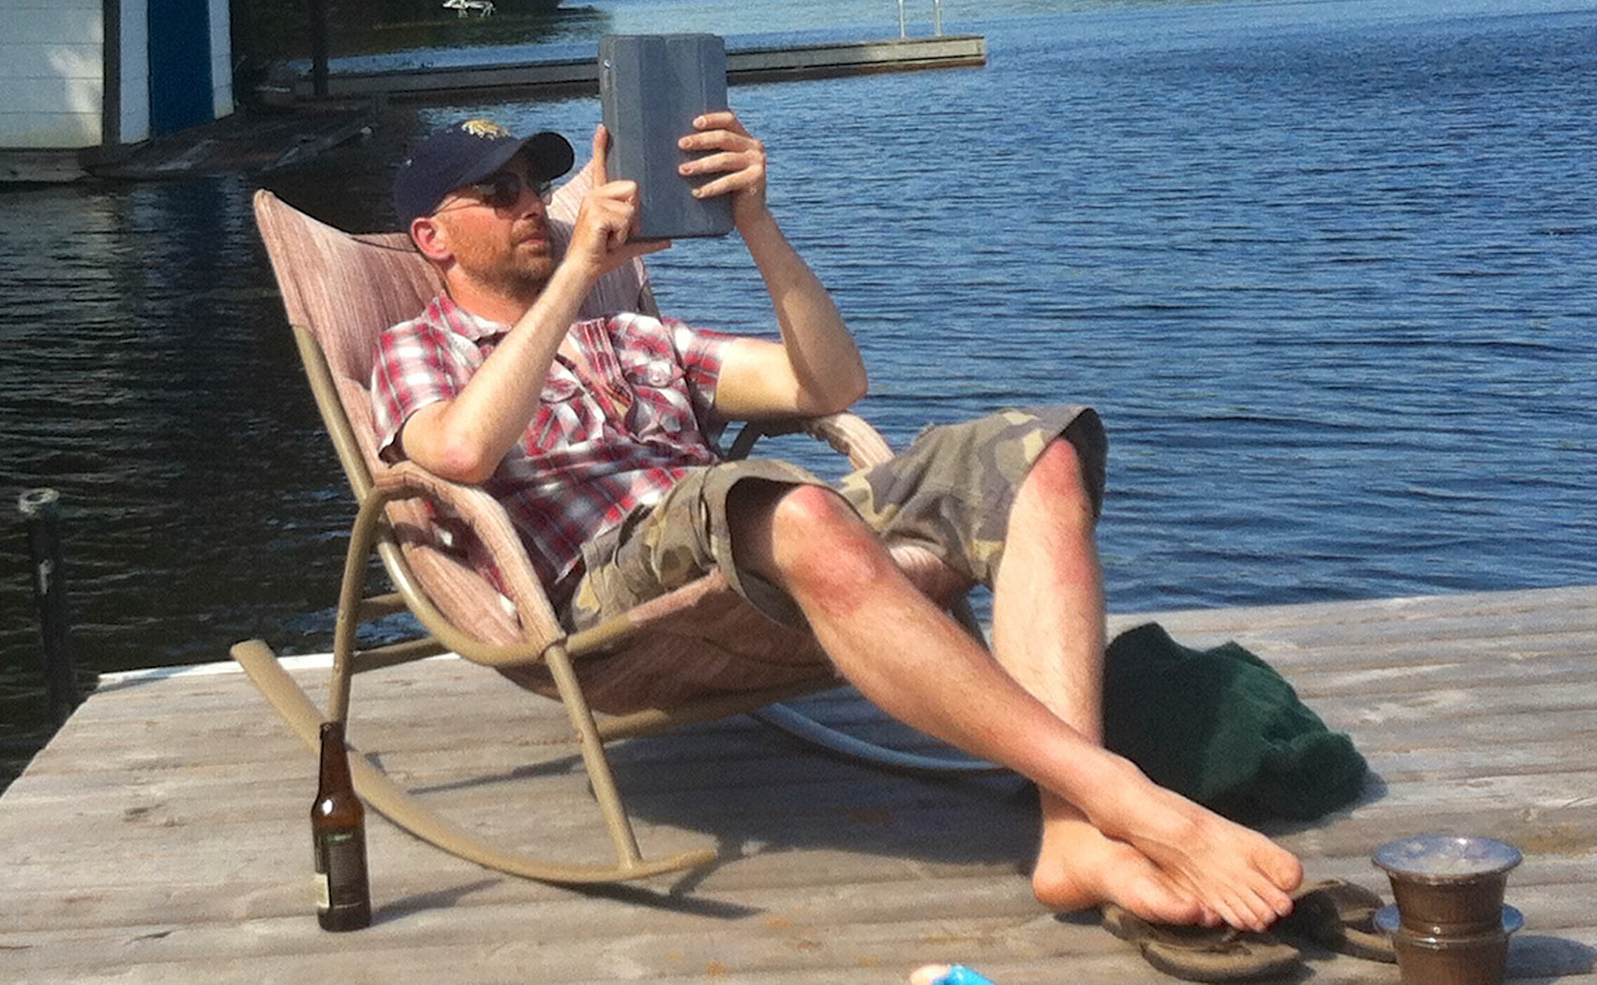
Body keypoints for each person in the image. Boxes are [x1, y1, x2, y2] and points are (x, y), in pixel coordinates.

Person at [369, 111, 1304, 931]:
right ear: (433, 237)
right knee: (793, 504)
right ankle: (1126, 798)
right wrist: (578, 275)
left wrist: (757, 223)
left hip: (745, 536)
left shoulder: (635, 335)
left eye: (533, 183)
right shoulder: (416, 350)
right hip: (610, 580)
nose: (530, 203)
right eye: (495, 193)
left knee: (1037, 454)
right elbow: (458, 454)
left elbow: (828, 383)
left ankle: (1070, 834)